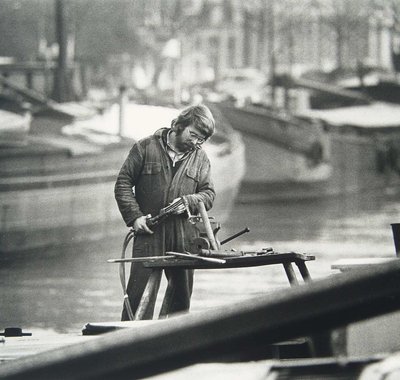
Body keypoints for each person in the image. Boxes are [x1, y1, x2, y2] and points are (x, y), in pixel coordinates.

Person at [114, 104, 216, 320]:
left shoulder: (201, 159)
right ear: (178, 126)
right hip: (149, 233)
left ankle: (172, 345)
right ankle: (131, 347)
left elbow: (208, 194)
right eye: (193, 135)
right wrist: (135, 217)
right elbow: (123, 183)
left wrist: (189, 201)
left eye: (201, 139)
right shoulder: (144, 148)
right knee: (138, 297)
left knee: (181, 301)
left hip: (184, 237)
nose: (196, 143)